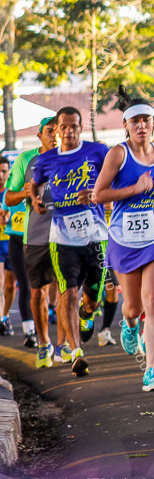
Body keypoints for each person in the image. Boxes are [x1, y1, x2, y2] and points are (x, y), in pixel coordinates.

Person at [93, 93, 154, 391]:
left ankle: (151, 370)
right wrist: (134, 189)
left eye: (147, 120)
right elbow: (98, 195)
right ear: (126, 125)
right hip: (125, 238)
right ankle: (130, 325)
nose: (142, 125)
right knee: (133, 307)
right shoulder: (117, 155)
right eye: (136, 120)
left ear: (153, 123)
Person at [31, 107, 109, 377]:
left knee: (93, 300)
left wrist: (97, 195)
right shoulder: (46, 160)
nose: (69, 131)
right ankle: (76, 352)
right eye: (64, 127)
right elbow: (36, 184)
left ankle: (88, 316)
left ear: (81, 127)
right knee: (69, 293)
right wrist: (36, 200)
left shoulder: (99, 152)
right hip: (62, 237)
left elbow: (114, 181)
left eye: (74, 126)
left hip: (96, 235)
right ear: (58, 129)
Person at [6, 117, 59, 366]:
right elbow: (8, 197)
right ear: (40, 135)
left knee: (67, 289)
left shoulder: (73, 157)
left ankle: (67, 344)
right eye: (50, 131)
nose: (56, 135)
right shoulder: (26, 160)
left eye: (60, 130)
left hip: (69, 234)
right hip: (35, 235)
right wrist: (26, 192)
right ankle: (43, 342)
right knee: (38, 291)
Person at [0, 157, 17, 337]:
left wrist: (8, 219)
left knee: (10, 286)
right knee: (0, 284)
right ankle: (1, 319)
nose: (1, 175)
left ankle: (5, 316)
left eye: (4, 171)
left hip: (11, 242)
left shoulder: (13, 192)